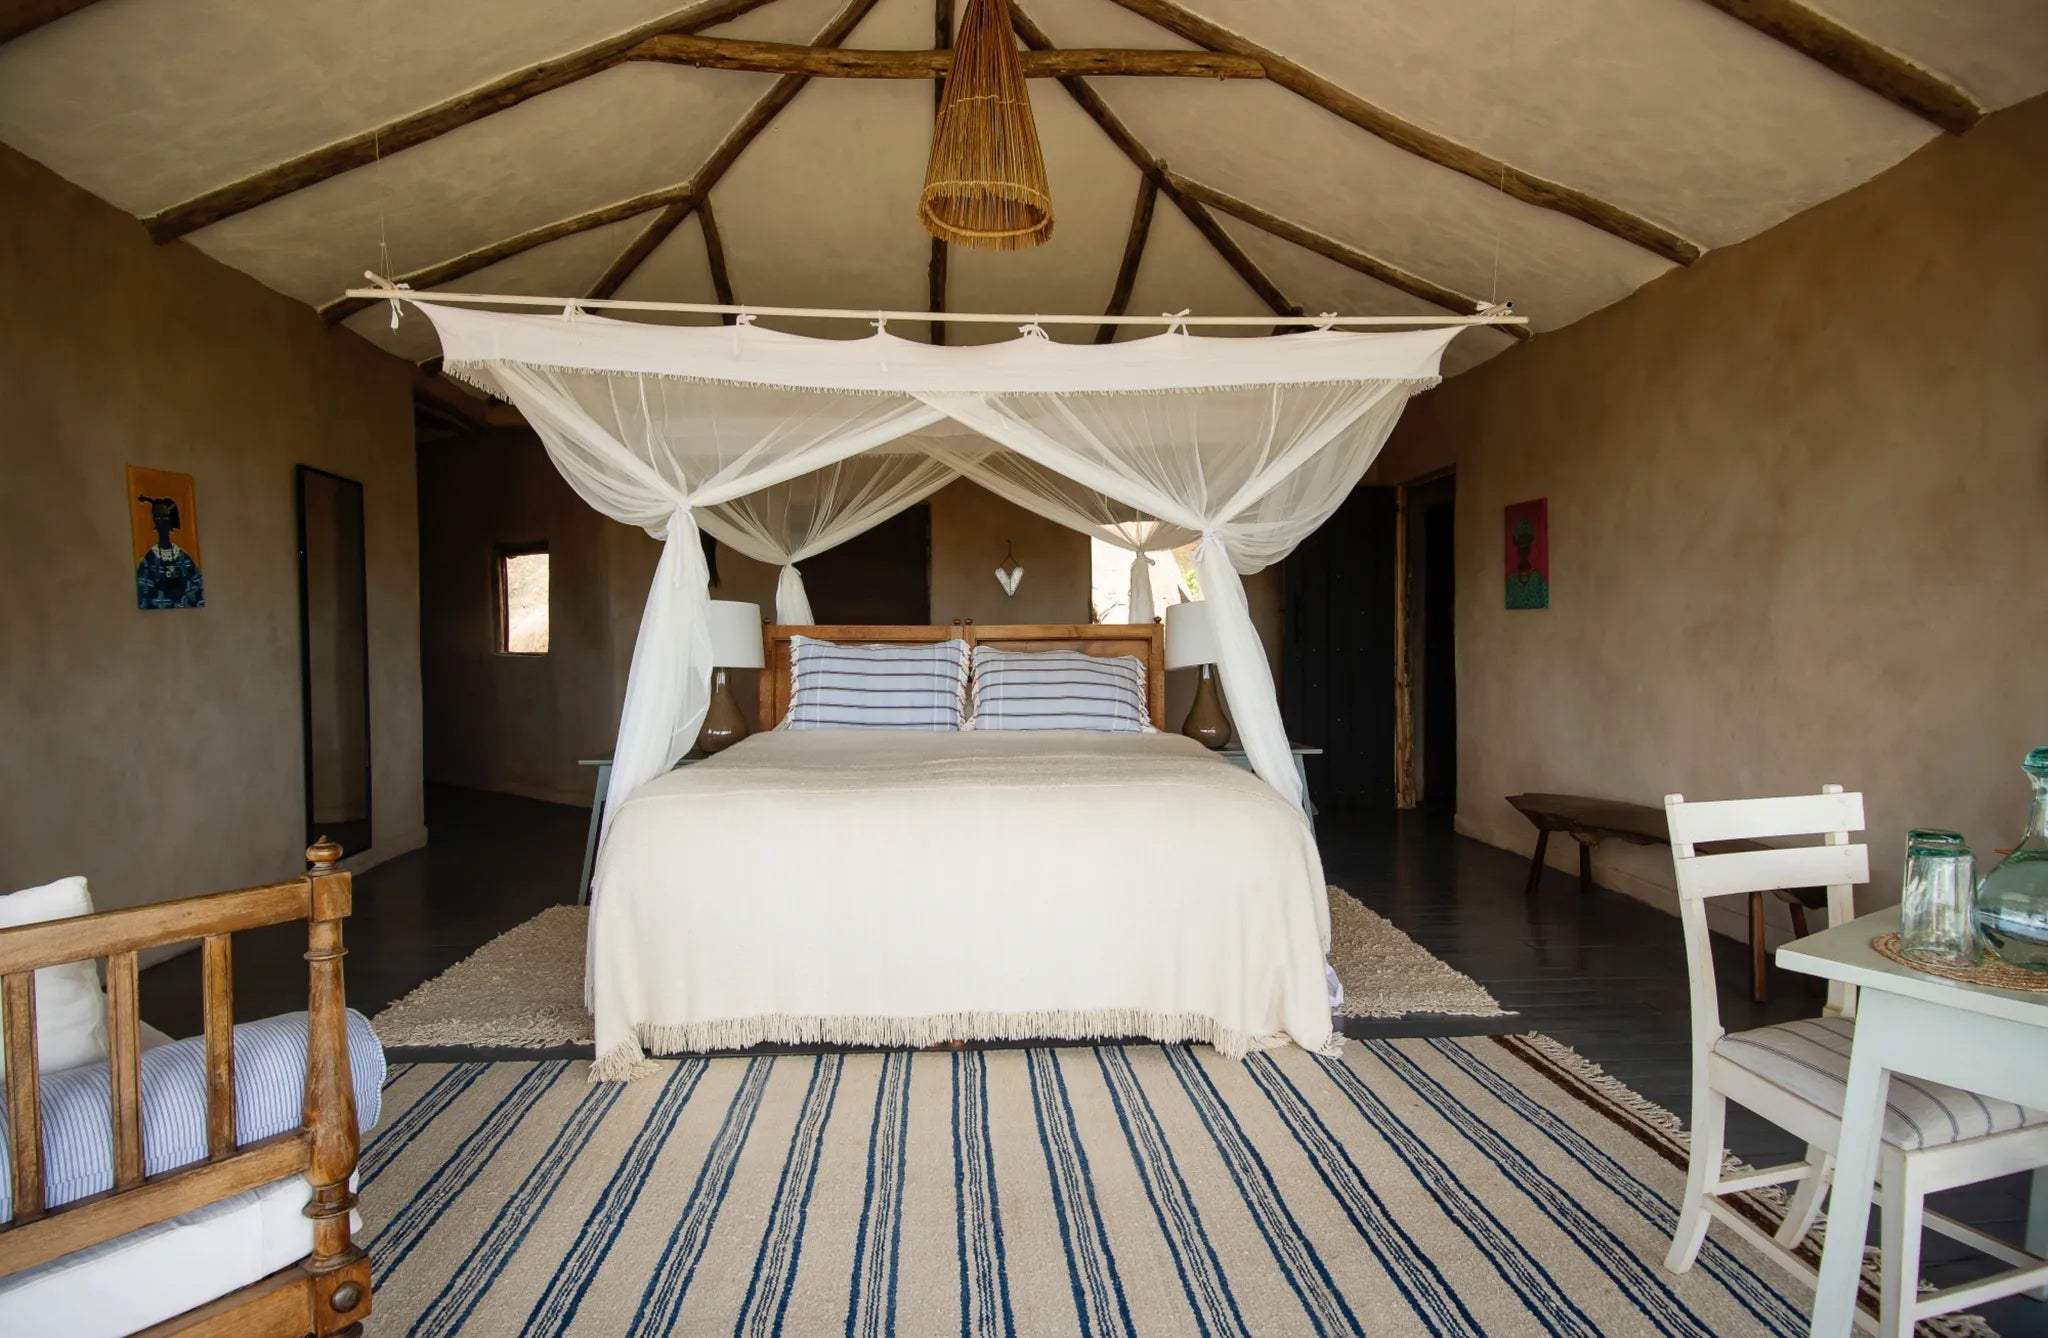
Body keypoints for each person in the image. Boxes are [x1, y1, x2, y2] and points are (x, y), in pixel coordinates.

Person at [136, 494, 204, 608]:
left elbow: (196, 589)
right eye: (158, 518)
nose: (162, 522)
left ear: (171, 523)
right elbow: (142, 591)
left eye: (165, 518)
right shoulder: (149, 559)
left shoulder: (183, 558)